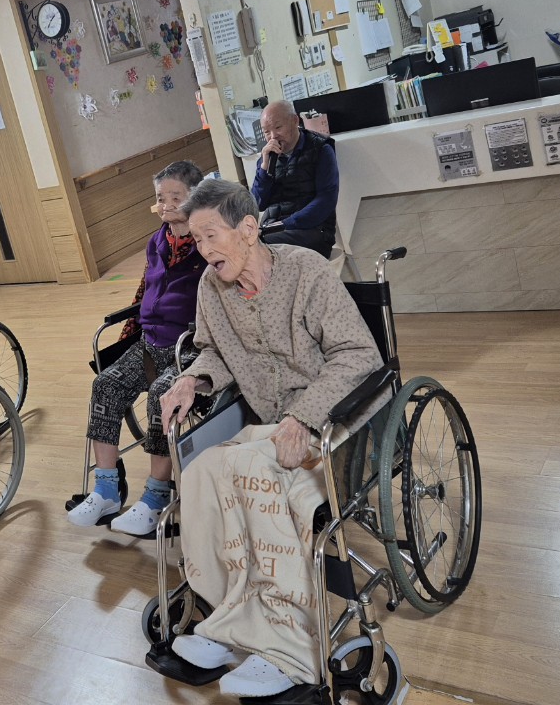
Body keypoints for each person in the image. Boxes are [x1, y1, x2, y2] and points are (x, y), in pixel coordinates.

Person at [157, 179, 383, 698]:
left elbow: (358, 354)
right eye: (196, 239)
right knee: (203, 472)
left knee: (261, 478)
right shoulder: (211, 288)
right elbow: (213, 351)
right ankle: (227, 620)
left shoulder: (306, 271)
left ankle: (289, 649)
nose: (203, 249)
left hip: (335, 425)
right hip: (270, 424)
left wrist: (304, 417)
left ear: (248, 229)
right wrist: (192, 379)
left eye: (211, 236)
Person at [68, 160, 206, 536]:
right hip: (149, 342)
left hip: (190, 345)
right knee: (105, 384)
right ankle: (106, 490)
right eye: (161, 198)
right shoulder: (157, 241)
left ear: (196, 197)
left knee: (162, 394)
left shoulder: (207, 241)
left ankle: (157, 496)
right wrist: (133, 327)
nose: (166, 205)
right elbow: (145, 291)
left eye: (175, 197)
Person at [251, 100, 339, 257]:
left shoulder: (320, 149)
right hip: (273, 230)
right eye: (266, 132)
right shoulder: (267, 159)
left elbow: (326, 200)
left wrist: (287, 224)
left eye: (278, 127)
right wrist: (264, 168)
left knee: (258, 248)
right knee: (245, 246)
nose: (273, 136)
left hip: (313, 231)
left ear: (295, 121)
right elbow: (257, 203)